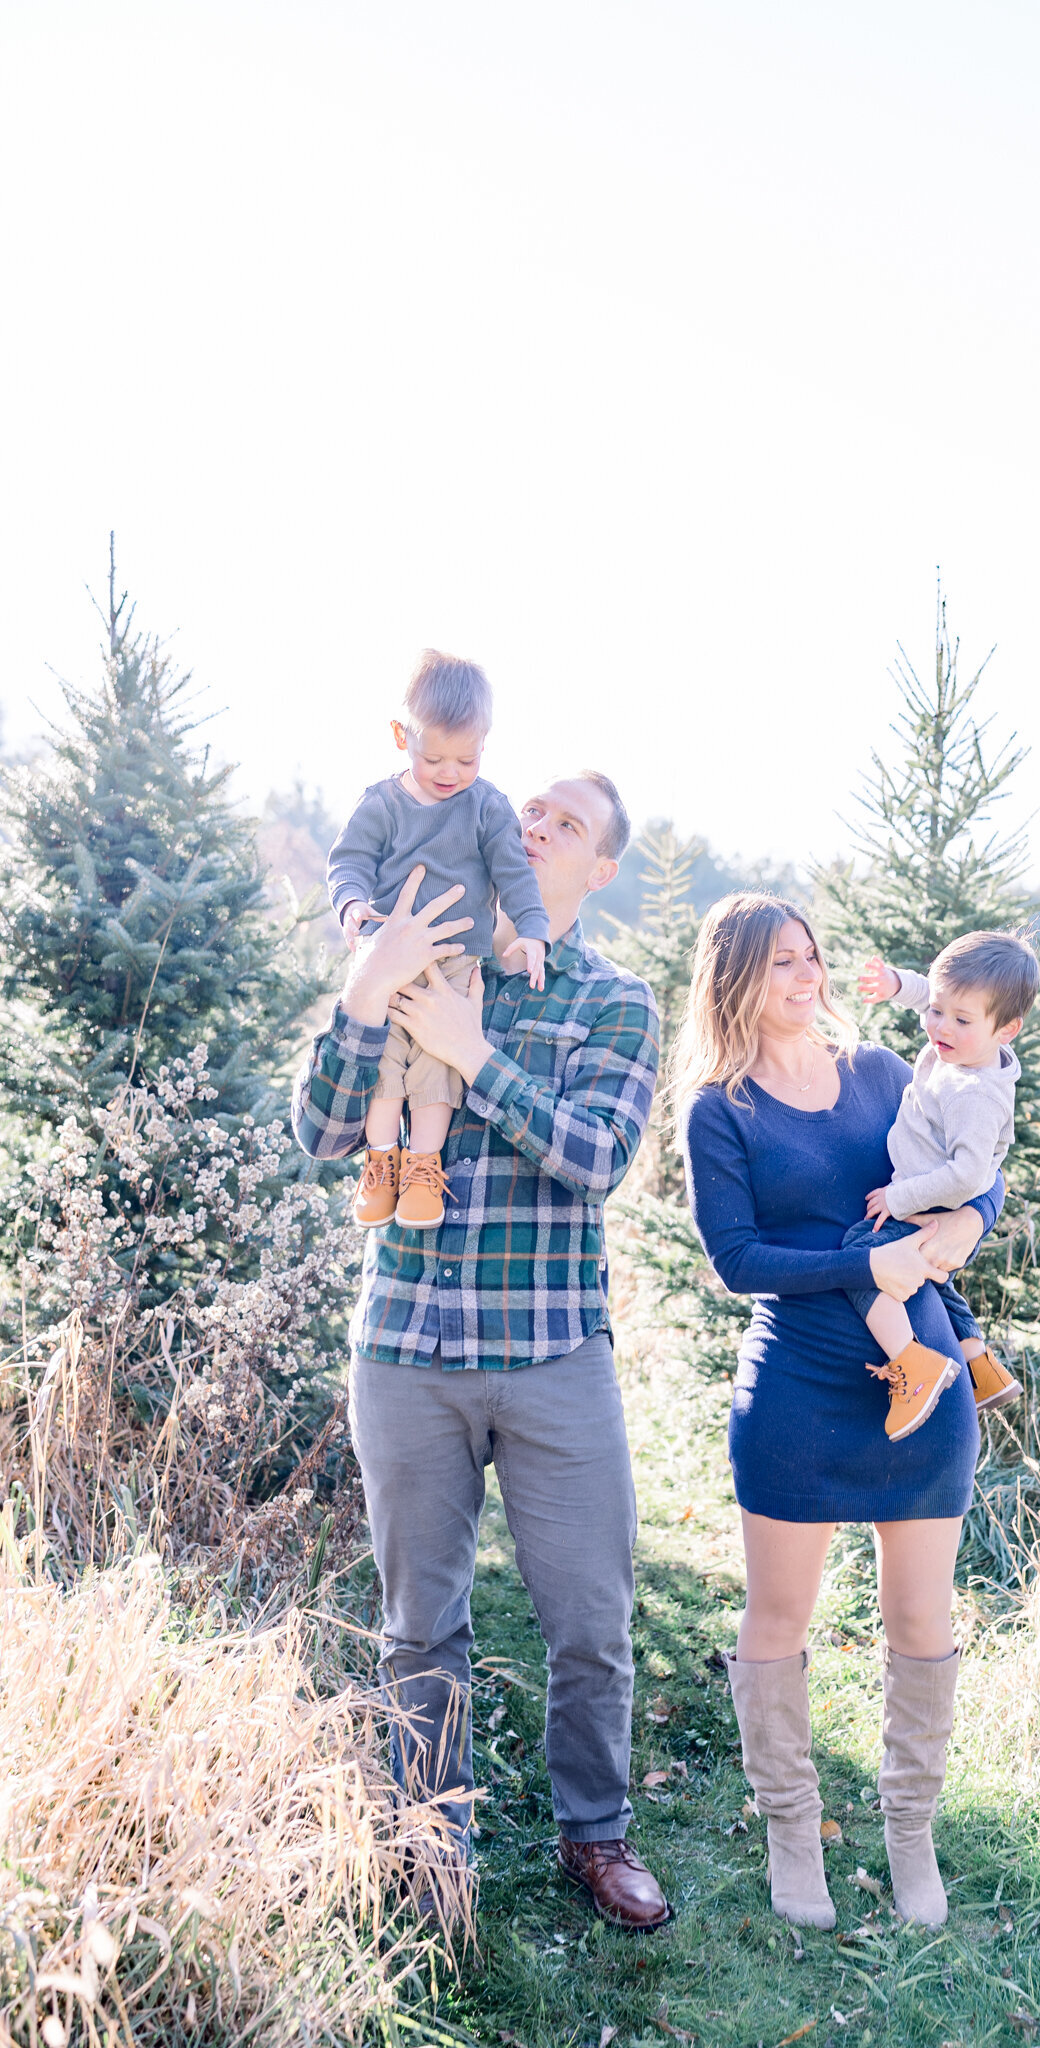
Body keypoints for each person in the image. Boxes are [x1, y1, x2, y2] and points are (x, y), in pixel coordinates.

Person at [292, 769, 671, 1932]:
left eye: (568, 824)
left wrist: (478, 1055)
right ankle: (432, 1838)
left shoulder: (614, 999)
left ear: (595, 871)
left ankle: (594, 1833)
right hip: (406, 1348)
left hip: (555, 1355)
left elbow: (600, 1155)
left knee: (591, 1621)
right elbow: (316, 1131)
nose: (537, 822)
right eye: (534, 808)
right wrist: (368, 995)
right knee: (422, 1623)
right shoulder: (420, 952)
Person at [675, 894, 1004, 1932]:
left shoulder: (882, 1072)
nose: (804, 975)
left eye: (810, 956)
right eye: (780, 962)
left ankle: (910, 1831)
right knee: (777, 1617)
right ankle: (789, 1825)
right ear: (734, 977)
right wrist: (866, 1260)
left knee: (920, 1618)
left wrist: (964, 1218)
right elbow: (736, 1260)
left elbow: (978, 1168)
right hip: (797, 1387)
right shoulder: (719, 1106)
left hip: (925, 1384)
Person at [326, 650, 550, 1231]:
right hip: (387, 956)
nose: (450, 771)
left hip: (453, 965)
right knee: (382, 1060)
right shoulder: (381, 804)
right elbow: (349, 861)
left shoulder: (487, 807)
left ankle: (423, 1168)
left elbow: (514, 875)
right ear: (401, 736)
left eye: (466, 758)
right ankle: (380, 1163)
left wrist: (532, 930)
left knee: (434, 1068)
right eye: (434, 758)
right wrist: (352, 905)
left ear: (485, 745)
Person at [844, 930, 1040, 1438]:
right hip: (934, 1200)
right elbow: (936, 991)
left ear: (1007, 1029)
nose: (939, 1027)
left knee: (860, 1258)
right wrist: (896, 985)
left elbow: (970, 1175)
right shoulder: (962, 1051)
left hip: (932, 1205)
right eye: (936, 1011)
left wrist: (899, 1198)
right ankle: (981, 1367)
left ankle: (913, 1364)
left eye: (960, 1020)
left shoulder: (973, 1093)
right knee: (937, 1279)